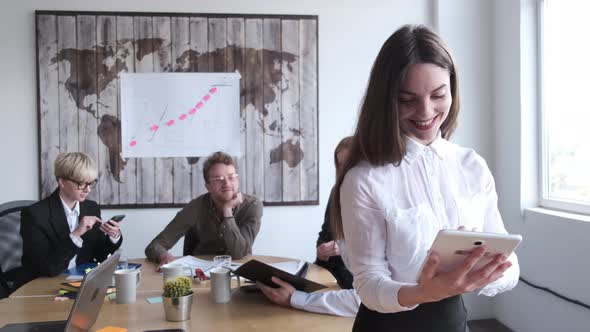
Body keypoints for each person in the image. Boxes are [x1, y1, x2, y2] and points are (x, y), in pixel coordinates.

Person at [330, 25, 520, 331]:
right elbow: (367, 283)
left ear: (453, 90)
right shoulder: (364, 179)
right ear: (386, 99)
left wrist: (481, 271)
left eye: (438, 95)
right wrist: (423, 292)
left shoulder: (471, 166)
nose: (426, 111)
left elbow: (510, 264)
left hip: (454, 323)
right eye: (408, 99)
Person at [258, 137, 361, 317]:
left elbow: (363, 296)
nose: (346, 172)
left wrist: (344, 247)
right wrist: (322, 252)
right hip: (330, 274)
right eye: (341, 166)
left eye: (350, 164)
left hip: (350, 284)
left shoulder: (378, 202)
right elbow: (325, 233)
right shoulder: (337, 192)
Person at [20, 152, 123, 285]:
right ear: (62, 182)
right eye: (81, 183)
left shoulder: (91, 208)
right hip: (43, 284)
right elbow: (46, 268)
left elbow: (98, 254)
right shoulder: (35, 214)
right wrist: (76, 234)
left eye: (91, 183)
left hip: (80, 282)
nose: (87, 190)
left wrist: (113, 236)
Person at [145, 151, 263, 265]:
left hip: (239, 275)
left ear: (237, 180)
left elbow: (239, 253)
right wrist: (165, 256)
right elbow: (155, 246)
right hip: (200, 277)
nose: (226, 183)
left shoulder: (252, 206)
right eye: (218, 179)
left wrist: (227, 211)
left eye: (231, 177)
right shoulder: (196, 206)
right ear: (208, 187)